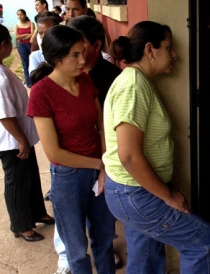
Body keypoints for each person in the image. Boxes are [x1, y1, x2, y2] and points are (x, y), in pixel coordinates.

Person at [103, 21, 210, 274]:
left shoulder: (139, 83)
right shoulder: (133, 87)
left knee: (145, 255)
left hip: (133, 191)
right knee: (203, 242)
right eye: (168, 48)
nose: (175, 55)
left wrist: (169, 186)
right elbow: (129, 156)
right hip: (134, 192)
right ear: (150, 50)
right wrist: (167, 195)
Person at [27, 25, 115, 273]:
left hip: (99, 169)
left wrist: (104, 165)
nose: (83, 60)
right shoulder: (41, 93)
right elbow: (53, 153)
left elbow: (101, 125)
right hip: (68, 177)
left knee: (104, 239)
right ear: (56, 57)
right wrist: (99, 164)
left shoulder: (86, 81)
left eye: (83, 52)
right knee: (76, 248)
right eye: (75, 55)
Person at [0, 24, 54, 242]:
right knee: (17, 183)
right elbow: (4, 115)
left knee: (30, 177)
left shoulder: (3, 70)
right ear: (4, 45)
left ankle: (37, 212)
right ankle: (21, 225)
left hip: (21, 139)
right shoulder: (0, 79)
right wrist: (21, 140)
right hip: (13, 143)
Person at [14, 9, 34, 87]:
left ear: (25, 15)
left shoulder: (31, 23)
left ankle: (34, 79)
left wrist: (21, 36)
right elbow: (16, 37)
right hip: (22, 46)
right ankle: (28, 82)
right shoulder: (16, 25)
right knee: (25, 64)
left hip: (31, 45)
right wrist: (27, 34)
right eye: (18, 15)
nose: (20, 16)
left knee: (33, 62)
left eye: (21, 14)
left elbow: (32, 34)